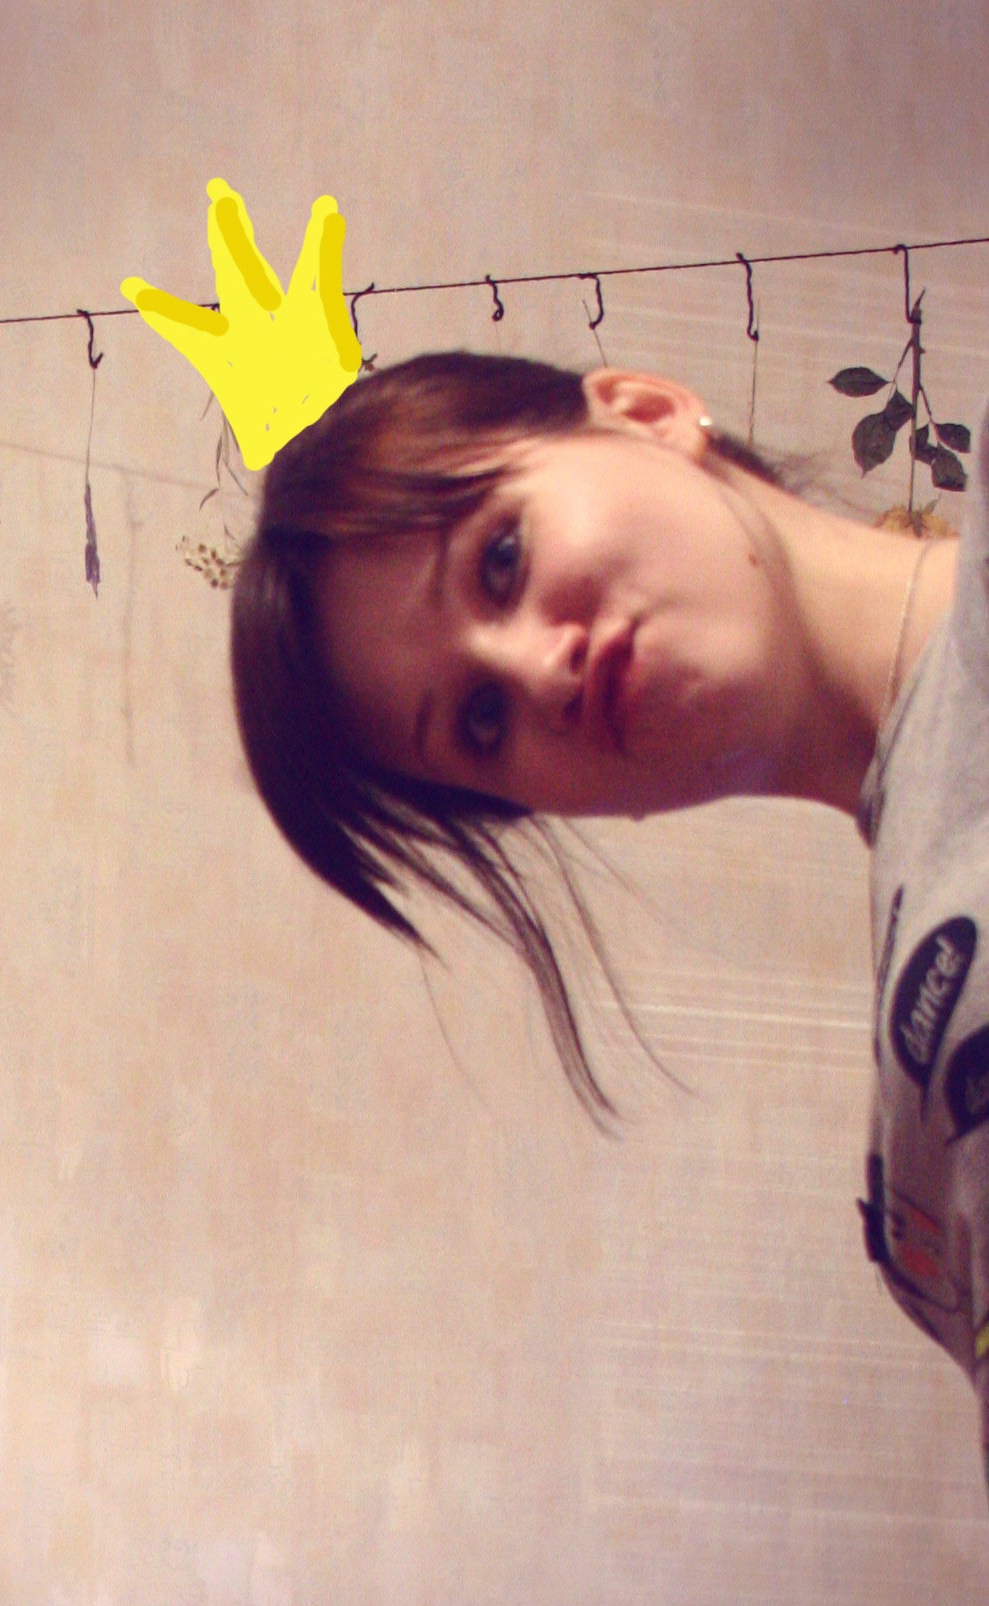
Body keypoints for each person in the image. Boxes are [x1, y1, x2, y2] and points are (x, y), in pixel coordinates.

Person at [229, 350, 987, 1494]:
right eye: (481, 722)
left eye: (500, 559)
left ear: (645, 411)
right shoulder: (909, 1105)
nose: (539, 669)